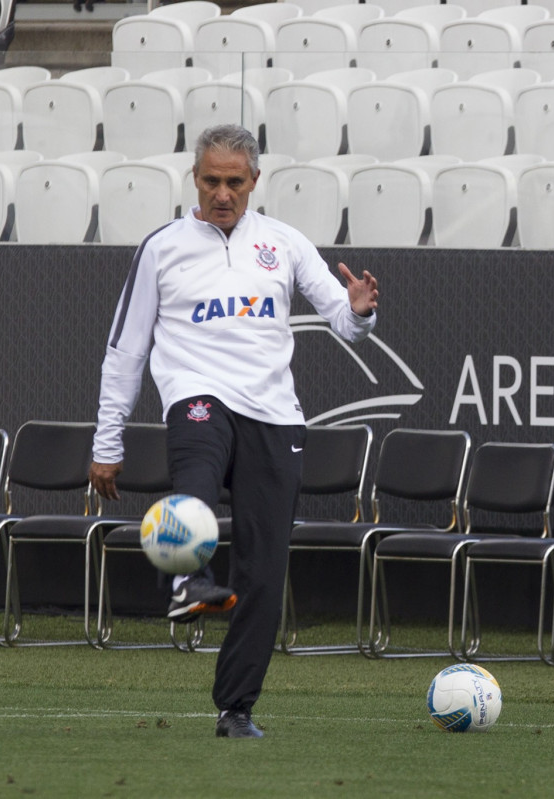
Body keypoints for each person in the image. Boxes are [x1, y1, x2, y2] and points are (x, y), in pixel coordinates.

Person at [89, 124, 379, 739]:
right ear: (195, 180)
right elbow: (126, 349)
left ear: (254, 182)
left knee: (264, 572)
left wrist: (359, 310)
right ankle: (186, 578)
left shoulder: (284, 242)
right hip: (197, 394)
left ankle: (236, 708)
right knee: (193, 470)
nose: (224, 193)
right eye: (212, 180)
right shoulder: (163, 246)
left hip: (274, 415)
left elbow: (342, 319)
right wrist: (106, 443)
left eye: (235, 182)